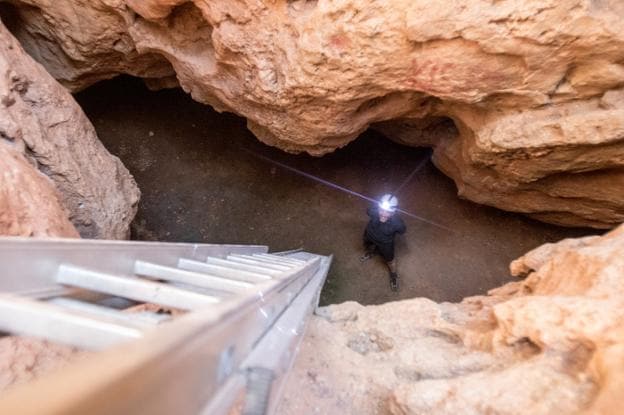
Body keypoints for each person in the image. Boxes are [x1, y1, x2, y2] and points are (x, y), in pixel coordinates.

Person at [360, 194, 406, 291]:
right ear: (378, 207)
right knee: (369, 246)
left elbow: (402, 231)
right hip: (370, 235)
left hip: (386, 244)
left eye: (388, 212)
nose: (383, 214)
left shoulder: (398, 224)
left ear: (393, 213)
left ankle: (393, 274)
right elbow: (368, 211)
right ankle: (373, 252)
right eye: (381, 210)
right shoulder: (373, 211)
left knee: (390, 260)